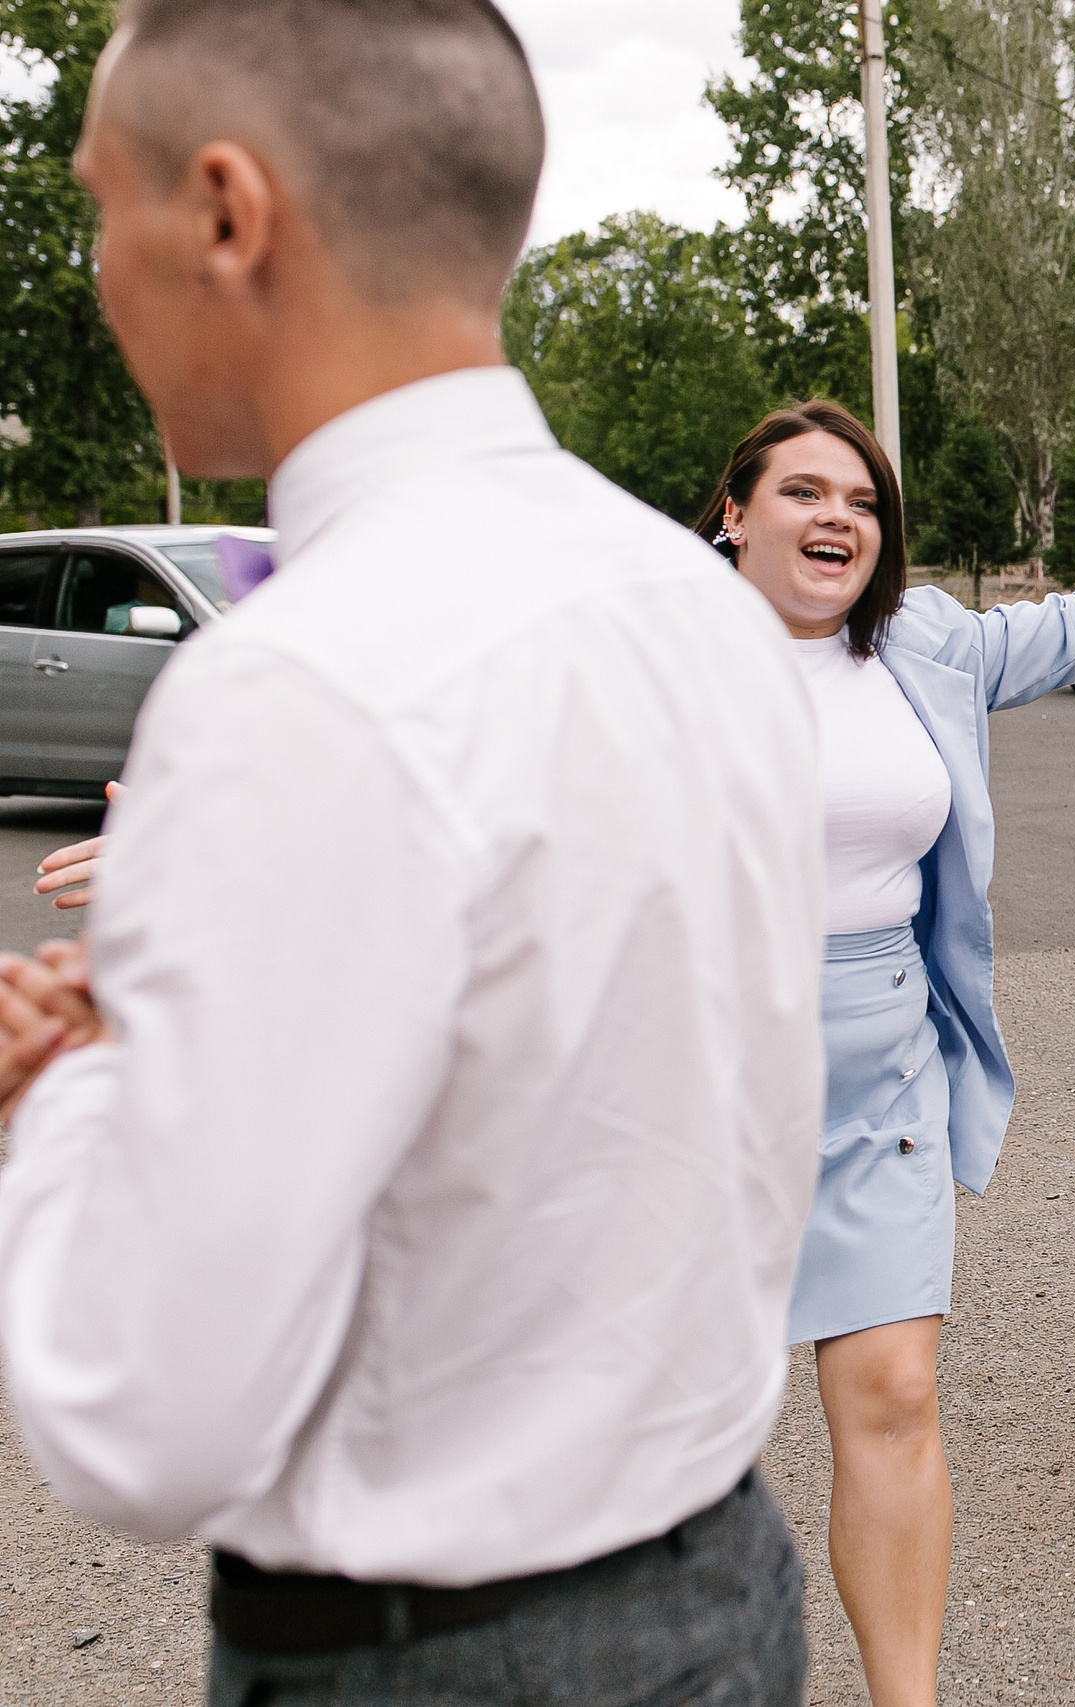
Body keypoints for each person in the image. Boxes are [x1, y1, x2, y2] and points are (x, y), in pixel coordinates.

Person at [0, 3, 825, 1701]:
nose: (94, 268)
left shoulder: (296, 688)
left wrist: (60, 1102)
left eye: (101, 206)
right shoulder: (700, 609)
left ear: (229, 214)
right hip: (723, 1588)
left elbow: (143, 1419)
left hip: (438, 1659)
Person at [694, 402, 1075, 1706]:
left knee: (896, 1392)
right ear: (737, 512)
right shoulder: (653, 655)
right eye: (802, 492)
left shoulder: (919, 640)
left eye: (860, 500)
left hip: (884, 1061)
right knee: (684, 1425)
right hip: (697, 1075)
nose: (837, 517)